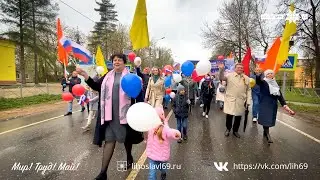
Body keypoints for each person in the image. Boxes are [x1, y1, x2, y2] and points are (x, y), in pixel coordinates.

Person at [76, 53, 143, 180]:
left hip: (125, 116)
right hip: (108, 116)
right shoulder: (108, 76)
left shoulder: (130, 77)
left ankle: (129, 156)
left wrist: (138, 111)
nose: (116, 62)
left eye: (119, 60)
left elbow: (138, 95)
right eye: (114, 60)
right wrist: (85, 75)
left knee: (126, 139)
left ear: (124, 62)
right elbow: (96, 86)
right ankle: (103, 173)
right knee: (109, 141)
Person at [256, 69, 293, 143]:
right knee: (266, 119)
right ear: (265, 75)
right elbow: (258, 80)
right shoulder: (263, 82)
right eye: (268, 73)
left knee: (269, 119)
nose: (270, 74)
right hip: (265, 103)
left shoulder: (275, 84)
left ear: (273, 75)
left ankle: (265, 132)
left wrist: (285, 105)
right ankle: (267, 134)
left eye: (271, 73)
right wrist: (260, 73)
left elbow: (280, 96)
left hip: (273, 104)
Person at [146, 106, 181, 180]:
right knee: (151, 175)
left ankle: (163, 172)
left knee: (162, 168)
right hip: (152, 155)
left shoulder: (164, 128)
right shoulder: (150, 127)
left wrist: (175, 133)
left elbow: (170, 132)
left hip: (161, 156)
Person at [219, 63, 251, 138]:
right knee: (229, 115)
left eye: (241, 68)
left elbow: (249, 90)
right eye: (238, 68)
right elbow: (222, 78)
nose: (240, 69)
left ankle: (235, 130)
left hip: (241, 100)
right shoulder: (229, 75)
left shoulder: (246, 78)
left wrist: (248, 101)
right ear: (235, 68)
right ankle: (228, 129)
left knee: (238, 116)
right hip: (230, 99)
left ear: (243, 69)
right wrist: (221, 70)